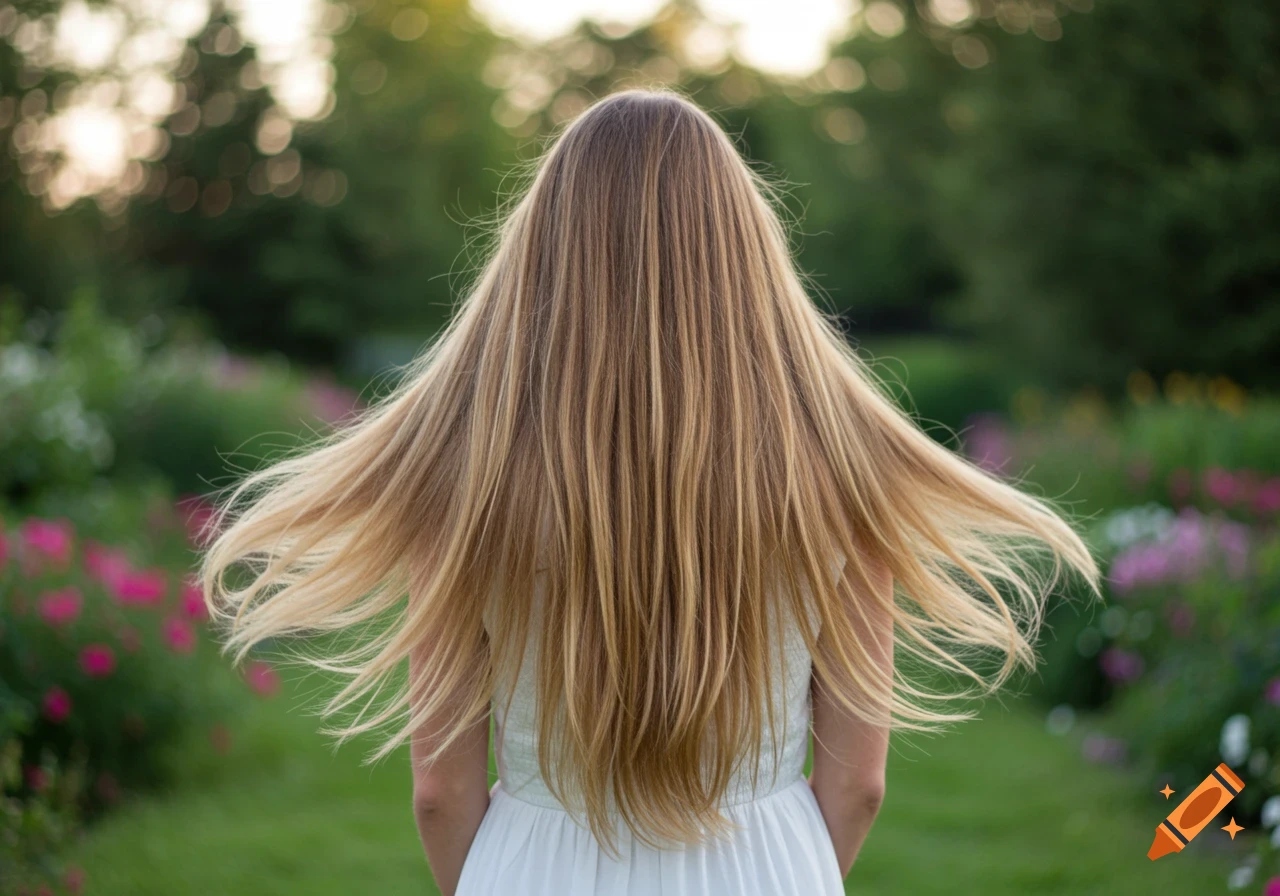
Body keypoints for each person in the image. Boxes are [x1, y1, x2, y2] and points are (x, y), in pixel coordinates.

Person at [200, 88, 1100, 895]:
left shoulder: (463, 467)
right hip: (771, 866)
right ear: (742, 252)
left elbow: (440, 791)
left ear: (542, 254)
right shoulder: (838, 461)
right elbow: (858, 782)